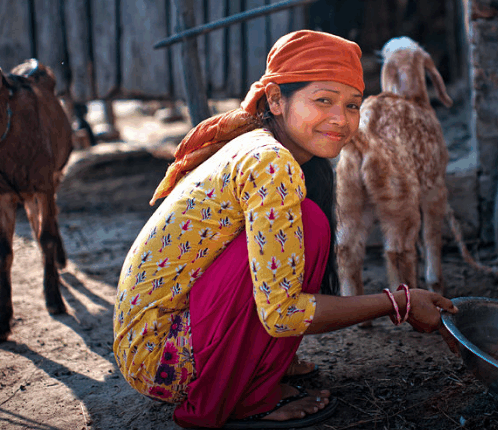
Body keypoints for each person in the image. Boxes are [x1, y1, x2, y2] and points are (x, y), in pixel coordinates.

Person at [113, 29, 459, 429]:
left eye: (352, 105)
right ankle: (247, 399)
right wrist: (398, 301)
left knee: (305, 224)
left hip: (157, 342)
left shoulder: (271, 149)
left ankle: (255, 368)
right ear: (276, 99)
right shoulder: (270, 162)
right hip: (161, 358)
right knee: (310, 227)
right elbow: (282, 314)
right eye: (323, 100)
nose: (341, 119)